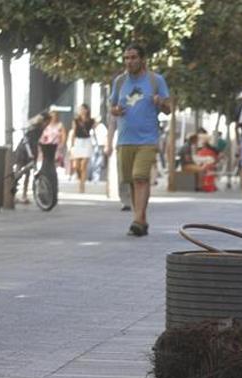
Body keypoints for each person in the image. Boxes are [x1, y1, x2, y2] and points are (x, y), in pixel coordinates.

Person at [105, 43, 172, 237]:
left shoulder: (155, 80)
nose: (129, 61)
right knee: (132, 182)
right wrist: (116, 110)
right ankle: (141, 221)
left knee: (140, 178)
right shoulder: (119, 82)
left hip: (147, 139)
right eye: (126, 58)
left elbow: (168, 109)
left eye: (133, 57)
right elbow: (112, 107)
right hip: (125, 139)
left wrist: (161, 103)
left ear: (142, 59)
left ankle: (137, 219)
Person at [38, 110, 65, 207]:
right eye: (52, 116)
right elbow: (41, 138)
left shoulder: (60, 125)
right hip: (45, 148)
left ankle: (52, 193)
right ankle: (44, 192)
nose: (53, 118)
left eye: (55, 116)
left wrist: (60, 147)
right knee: (46, 169)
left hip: (54, 149)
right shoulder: (45, 126)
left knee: (51, 169)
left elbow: (63, 137)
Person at [69, 104, 94, 193]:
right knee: (76, 166)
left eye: (84, 109)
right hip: (78, 142)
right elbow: (74, 133)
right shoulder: (76, 121)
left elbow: (95, 128)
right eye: (81, 109)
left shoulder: (91, 121)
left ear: (87, 110)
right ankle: (80, 178)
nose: (83, 111)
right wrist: (72, 146)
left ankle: (82, 186)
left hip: (87, 141)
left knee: (84, 165)